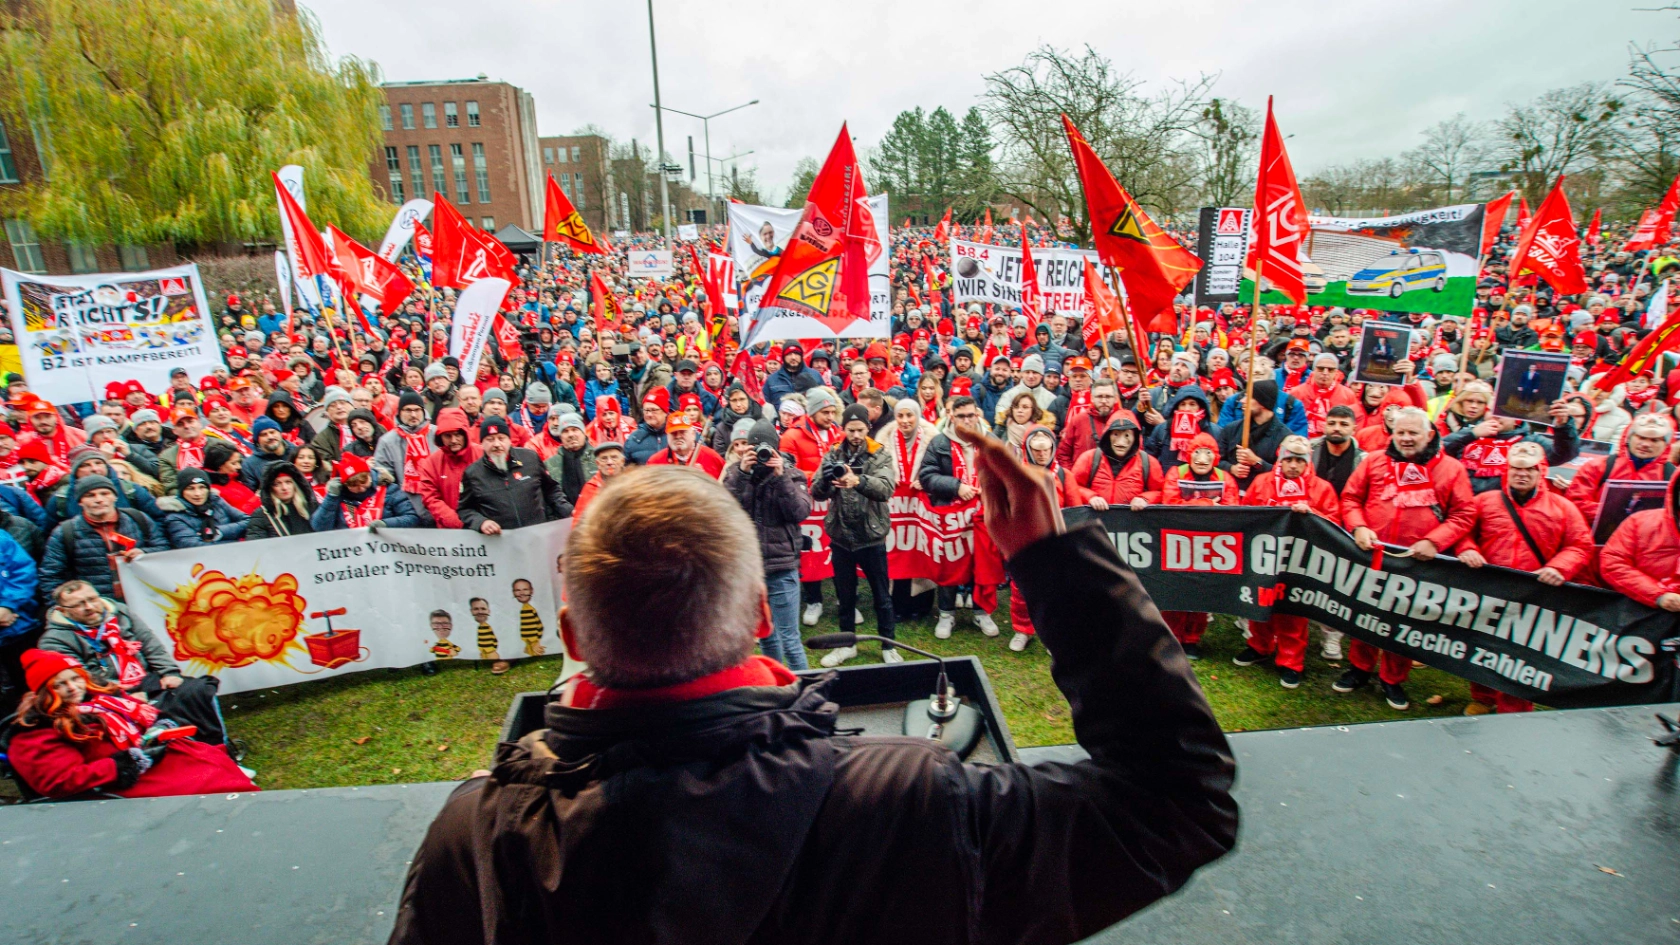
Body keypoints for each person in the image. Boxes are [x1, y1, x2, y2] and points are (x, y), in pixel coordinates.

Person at [388, 449, 1237, 945]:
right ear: (762, 613)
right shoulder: (909, 798)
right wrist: (1056, 562)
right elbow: (1179, 801)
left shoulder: (475, 835)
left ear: (571, 638)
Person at [1338, 407, 1475, 710]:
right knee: (1365, 614)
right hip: (1373, 556)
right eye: (1400, 432)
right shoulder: (1374, 461)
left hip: (1418, 563)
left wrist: (1434, 541)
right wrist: (1358, 526)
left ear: (1429, 434)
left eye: (1413, 433)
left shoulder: (1451, 469)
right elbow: (1351, 498)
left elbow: (1464, 514)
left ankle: (1392, 679)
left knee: (1402, 623)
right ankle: (1359, 669)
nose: (1406, 438)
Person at [1453, 442, 1592, 715]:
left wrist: (1560, 568)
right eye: (1516, 468)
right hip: (1489, 591)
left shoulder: (1563, 507)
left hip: (1534, 595)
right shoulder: (1484, 502)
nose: (1522, 474)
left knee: (1520, 656)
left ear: (1541, 471)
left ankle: (1514, 709)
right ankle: (1482, 696)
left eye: (1529, 469)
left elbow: (1580, 545)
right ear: (1507, 470)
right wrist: (1467, 549)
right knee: (1481, 647)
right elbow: (1463, 531)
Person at [6, 649, 255, 799]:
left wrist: (160, 727)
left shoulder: (101, 698)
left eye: (75, 679)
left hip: (148, 759)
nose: (73, 689)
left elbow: (146, 716)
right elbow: (59, 781)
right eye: (59, 685)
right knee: (207, 781)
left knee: (210, 758)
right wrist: (127, 763)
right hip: (116, 782)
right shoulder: (35, 731)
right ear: (44, 692)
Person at [37, 580, 229, 746]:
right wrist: (123, 696)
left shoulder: (120, 612)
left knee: (200, 690)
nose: (89, 607)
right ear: (63, 611)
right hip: (107, 693)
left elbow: (148, 642)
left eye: (92, 599)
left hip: (146, 679)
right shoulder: (54, 640)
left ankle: (220, 747)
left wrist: (169, 672)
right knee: (168, 708)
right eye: (79, 604)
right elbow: (81, 678)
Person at [1234, 436, 1341, 688]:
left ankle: (1291, 662)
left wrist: (1312, 514)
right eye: (1289, 459)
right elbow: (1245, 512)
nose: (1293, 465)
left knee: (1292, 614)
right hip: (1265, 559)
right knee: (1260, 605)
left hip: (1300, 563)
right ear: (1280, 459)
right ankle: (1259, 646)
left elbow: (1334, 523)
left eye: (1299, 461)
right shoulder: (1262, 482)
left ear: (1308, 463)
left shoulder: (1321, 488)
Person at [808, 404, 897, 667]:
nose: (856, 435)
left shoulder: (879, 453)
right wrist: (826, 480)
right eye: (851, 429)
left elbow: (886, 488)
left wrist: (858, 481)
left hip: (871, 537)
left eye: (860, 429)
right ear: (843, 428)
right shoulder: (833, 452)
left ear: (868, 428)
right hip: (841, 538)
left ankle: (888, 644)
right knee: (845, 597)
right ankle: (846, 646)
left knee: (882, 596)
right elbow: (816, 491)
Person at [722, 419, 814, 671]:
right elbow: (724, 510)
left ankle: (802, 688)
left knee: (790, 638)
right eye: (756, 449)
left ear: (775, 450)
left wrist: (780, 476)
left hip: (782, 568)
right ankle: (775, 687)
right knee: (766, 637)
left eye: (766, 450)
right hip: (749, 571)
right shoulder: (735, 474)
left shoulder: (791, 474)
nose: (762, 456)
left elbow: (800, 511)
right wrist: (741, 474)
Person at [917, 396, 1002, 639]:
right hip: (950, 515)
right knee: (950, 564)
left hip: (983, 515)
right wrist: (956, 486)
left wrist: (991, 488)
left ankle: (981, 611)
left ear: (977, 415)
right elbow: (927, 476)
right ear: (951, 416)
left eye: (970, 415)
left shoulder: (990, 440)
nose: (966, 420)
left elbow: (1006, 470)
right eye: (961, 416)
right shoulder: (939, 442)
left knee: (982, 563)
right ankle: (946, 613)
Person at [39, 476, 168, 605]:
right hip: (96, 608)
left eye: (105, 493)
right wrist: (66, 609)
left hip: (145, 599)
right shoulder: (65, 532)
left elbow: (165, 550)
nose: (99, 500)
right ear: (80, 502)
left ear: (115, 496)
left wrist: (144, 553)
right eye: (90, 495)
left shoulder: (138, 518)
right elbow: (50, 576)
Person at [457, 416, 571, 534]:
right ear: (482, 443)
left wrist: (567, 510)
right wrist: (481, 522)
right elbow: (464, 509)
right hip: (501, 541)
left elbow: (551, 489)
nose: (496, 444)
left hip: (538, 536)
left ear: (509, 440)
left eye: (501, 438)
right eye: (490, 439)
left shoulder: (530, 458)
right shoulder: (473, 473)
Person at [1563, 412, 1673, 525]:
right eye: (1641, 437)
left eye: (1654, 440)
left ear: (1666, 444)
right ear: (1628, 437)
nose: (1645, 444)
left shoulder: (1672, 476)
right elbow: (1575, 502)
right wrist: (1615, 514)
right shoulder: (1598, 466)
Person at [1070, 411, 1162, 511]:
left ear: (1135, 437)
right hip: (1096, 522)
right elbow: (1072, 486)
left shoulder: (1148, 462)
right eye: (1116, 434)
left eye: (1127, 435)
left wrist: (1145, 499)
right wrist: (1090, 497)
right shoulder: (1089, 458)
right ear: (1108, 435)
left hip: (1132, 523)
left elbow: (1160, 491)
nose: (1121, 442)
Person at [410, 407, 481, 530]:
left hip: (483, 527)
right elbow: (431, 498)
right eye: (447, 436)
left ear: (465, 433)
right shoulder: (431, 463)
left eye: (457, 434)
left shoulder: (482, 455)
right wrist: (454, 521)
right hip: (449, 532)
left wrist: (479, 521)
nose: (453, 440)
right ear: (440, 437)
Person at [311, 454, 420, 531]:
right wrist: (331, 497)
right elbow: (319, 527)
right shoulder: (337, 497)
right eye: (354, 485)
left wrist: (386, 524)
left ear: (370, 475)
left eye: (364, 482)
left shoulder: (389, 490)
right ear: (345, 485)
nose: (361, 488)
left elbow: (412, 518)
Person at [158, 467, 248, 548]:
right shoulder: (175, 516)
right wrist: (234, 542)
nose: (198, 494)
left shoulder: (216, 501)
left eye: (202, 487)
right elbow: (195, 547)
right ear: (182, 492)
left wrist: (219, 532)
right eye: (190, 488)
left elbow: (249, 521)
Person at [245, 462, 319, 540]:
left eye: (288, 482)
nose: (284, 487)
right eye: (277, 484)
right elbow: (257, 547)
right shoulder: (262, 515)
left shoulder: (311, 507)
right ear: (270, 489)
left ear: (295, 484)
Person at [646, 413, 726, 477]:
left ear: (693, 434)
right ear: (667, 436)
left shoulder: (713, 458)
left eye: (682, 432)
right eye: (673, 433)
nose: (678, 436)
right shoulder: (655, 462)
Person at [542, 413, 597, 504]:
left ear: (583, 432)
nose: (570, 434)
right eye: (565, 431)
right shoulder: (550, 465)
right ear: (560, 437)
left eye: (575, 429)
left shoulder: (598, 458)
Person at [571, 442, 626, 525]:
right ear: (598, 464)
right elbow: (579, 522)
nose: (609, 462)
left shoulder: (633, 482)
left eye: (614, 457)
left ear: (622, 461)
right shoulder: (591, 487)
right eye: (604, 458)